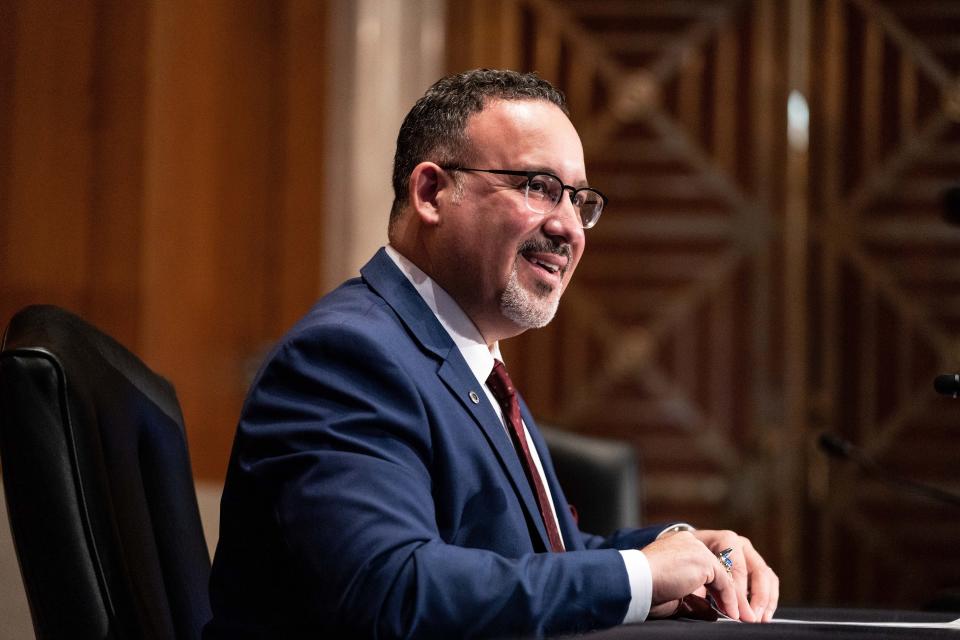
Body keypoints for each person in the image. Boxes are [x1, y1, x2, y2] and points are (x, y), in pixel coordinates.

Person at [204, 69, 778, 638]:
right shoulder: (347, 357)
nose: (569, 227)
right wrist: (635, 575)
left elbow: (546, 555)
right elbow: (392, 588)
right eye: (537, 187)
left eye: (580, 201)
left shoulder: (466, 356)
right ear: (431, 193)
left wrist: (677, 554)